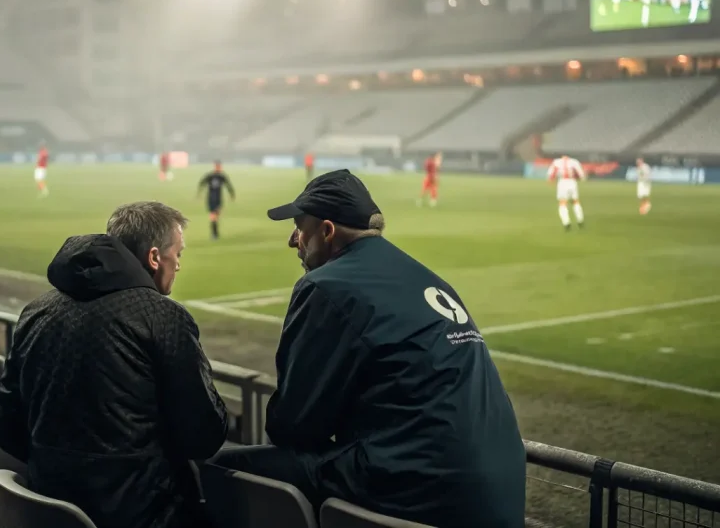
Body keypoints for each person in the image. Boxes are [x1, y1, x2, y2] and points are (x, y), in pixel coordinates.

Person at [212, 169, 526, 528]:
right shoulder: (428, 278)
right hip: (502, 492)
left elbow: (291, 426)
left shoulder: (327, 285)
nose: (293, 239)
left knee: (223, 471)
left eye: (301, 227)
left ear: (328, 231)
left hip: (427, 489)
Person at [0, 201, 227, 528]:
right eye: (179, 254)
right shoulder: (163, 317)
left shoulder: (37, 310)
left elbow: (4, 424)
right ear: (155, 257)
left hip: (47, 509)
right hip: (143, 514)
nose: (179, 265)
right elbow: (204, 435)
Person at [196, 161, 235, 240]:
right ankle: (214, 234)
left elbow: (228, 185)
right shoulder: (210, 175)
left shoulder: (222, 176)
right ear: (215, 166)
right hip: (211, 199)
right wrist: (199, 193)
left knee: (216, 216)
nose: (219, 168)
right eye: (217, 166)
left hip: (218, 199)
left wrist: (232, 194)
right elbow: (202, 183)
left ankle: (215, 233)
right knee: (213, 216)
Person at [547, 154, 586, 230]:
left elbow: (551, 174)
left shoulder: (556, 162)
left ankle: (566, 223)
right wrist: (581, 178)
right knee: (575, 201)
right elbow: (581, 175)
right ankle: (580, 220)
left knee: (562, 202)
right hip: (572, 182)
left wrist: (551, 180)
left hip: (562, 182)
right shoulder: (574, 161)